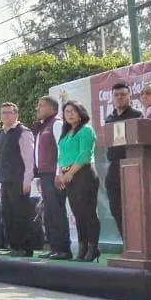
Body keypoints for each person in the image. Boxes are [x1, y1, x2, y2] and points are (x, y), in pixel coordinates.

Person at [56, 101, 100, 262]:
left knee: (88, 213)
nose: (70, 114)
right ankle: (82, 247)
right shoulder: (66, 132)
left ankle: (93, 247)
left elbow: (84, 154)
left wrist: (71, 172)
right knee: (77, 213)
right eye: (67, 111)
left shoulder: (86, 130)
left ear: (81, 112)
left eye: (73, 111)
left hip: (83, 174)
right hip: (68, 175)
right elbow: (61, 155)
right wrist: (61, 173)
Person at [29, 96, 68, 259]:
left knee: (57, 211)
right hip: (44, 175)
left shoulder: (57, 123)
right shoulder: (41, 127)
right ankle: (53, 247)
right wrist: (37, 176)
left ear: (52, 109)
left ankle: (63, 249)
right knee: (49, 212)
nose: (38, 109)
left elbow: (62, 149)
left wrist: (60, 173)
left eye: (41, 106)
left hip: (54, 174)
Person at [0, 103, 37, 257]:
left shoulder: (23, 132)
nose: (5, 115)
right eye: (3, 113)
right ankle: (14, 246)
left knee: (21, 215)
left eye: (8, 112)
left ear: (16, 114)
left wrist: (27, 181)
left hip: (19, 180)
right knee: (8, 214)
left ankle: (25, 248)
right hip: (5, 181)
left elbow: (29, 159)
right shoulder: (2, 135)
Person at [102, 82, 140, 244]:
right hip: (114, 165)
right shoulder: (109, 118)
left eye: (123, 95)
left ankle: (138, 243)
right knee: (115, 206)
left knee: (134, 206)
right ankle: (127, 243)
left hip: (133, 164)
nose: (119, 98)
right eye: (116, 95)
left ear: (129, 96)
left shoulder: (137, 115)